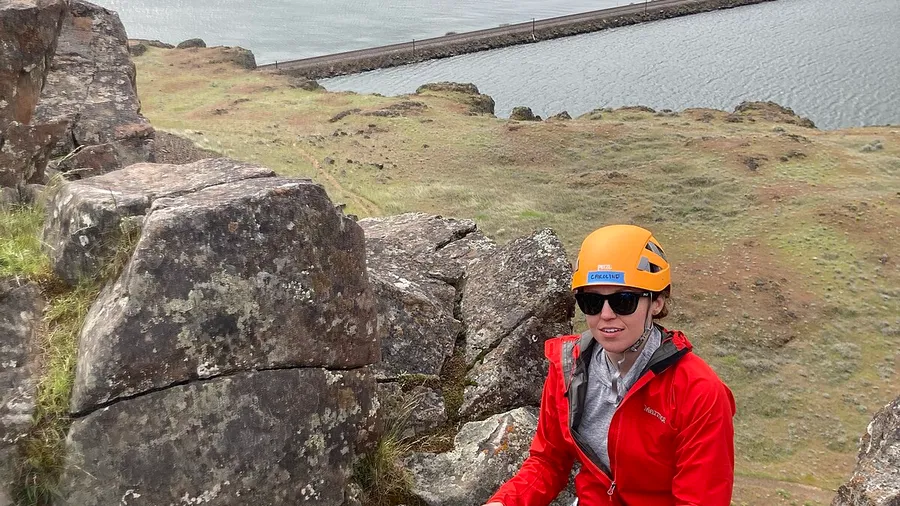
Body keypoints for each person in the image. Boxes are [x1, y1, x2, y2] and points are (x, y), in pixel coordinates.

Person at [483, 224, 736, 506]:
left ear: (656, 302)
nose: (605, 315)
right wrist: (505, 502)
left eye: (623, 300)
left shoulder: (698, 392)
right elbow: (549, 461)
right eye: (591, 301)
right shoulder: (569, 368)